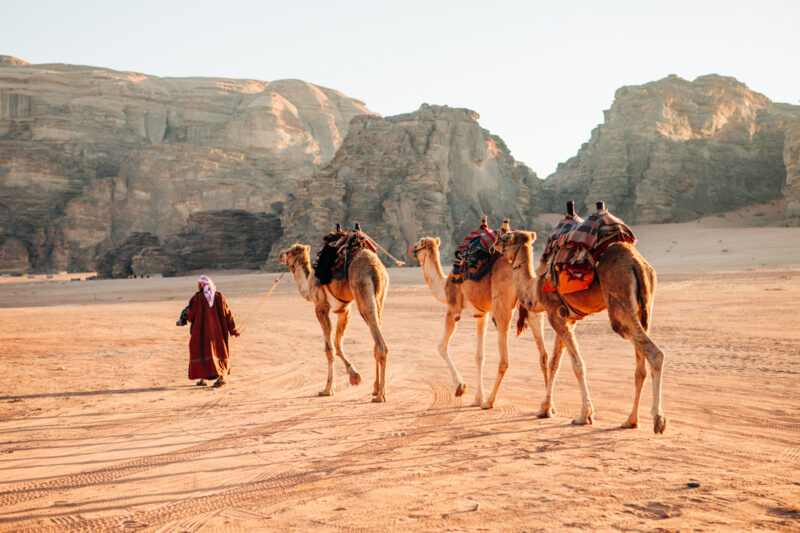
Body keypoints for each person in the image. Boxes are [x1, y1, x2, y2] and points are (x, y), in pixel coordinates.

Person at [178, 275, 239, 387]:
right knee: (219, 352)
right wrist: (234, 330)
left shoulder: (197, 298)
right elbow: (228, 315)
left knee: (202, 353)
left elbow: (191, 316)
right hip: (218, 333)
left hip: (201, 333)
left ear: (201, 285)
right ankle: (221, 378)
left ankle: (203, 379)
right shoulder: (220, 297)